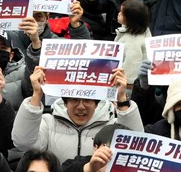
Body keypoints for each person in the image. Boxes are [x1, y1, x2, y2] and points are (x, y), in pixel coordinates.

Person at [11, 66, 144, 162]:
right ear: (65, 103)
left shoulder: (112, 126)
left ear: (96, 104)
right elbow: (23, 143)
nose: (81, 107)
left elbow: (137, 147)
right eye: (74, 100)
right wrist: (36, 95)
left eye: (87, 100)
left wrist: (122, 98)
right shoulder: (48, 123)